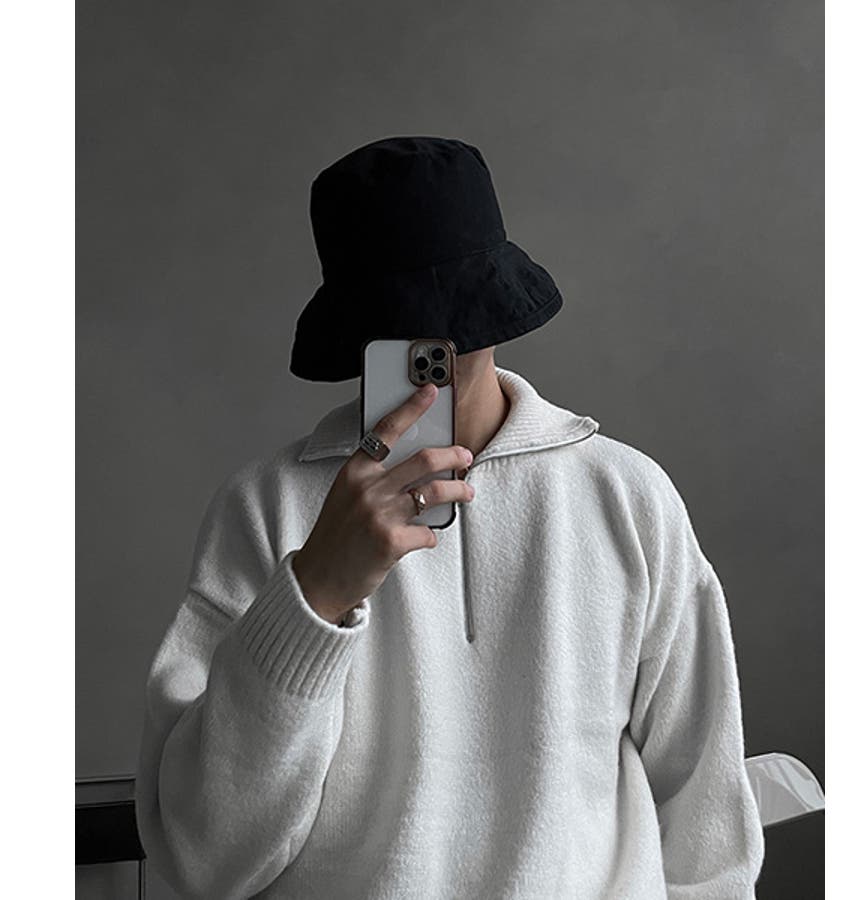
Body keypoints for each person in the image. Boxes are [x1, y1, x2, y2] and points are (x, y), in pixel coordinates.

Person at [135, 136, 765, 899]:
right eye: (401, 327)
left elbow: (708, 826)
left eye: (455, 318)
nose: (436, 349)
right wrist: (315, 595)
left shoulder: (626, 498)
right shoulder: (267, 507)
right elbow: (204, 858)